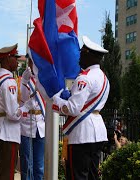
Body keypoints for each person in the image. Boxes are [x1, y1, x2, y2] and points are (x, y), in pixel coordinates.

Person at [52, 36, 110, 180]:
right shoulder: (104, 78)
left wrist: (57, 101)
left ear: (89, 55)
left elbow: (73, 108)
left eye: (82, 53)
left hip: (82, 134)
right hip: (97, 132)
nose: (79, 56)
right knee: (92, 175)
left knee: (77, 175)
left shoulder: (84, 78)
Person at [0, 44, 33, 180]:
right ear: (8, 59)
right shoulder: (9, 82)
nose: (17, 61)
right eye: (15, 58)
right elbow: (13, 114)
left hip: (0, 128)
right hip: (8, 132)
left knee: (0, 171)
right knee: (7, 173)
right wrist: (27, 106)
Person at [19, 55, 45, 180]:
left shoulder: (43, 79)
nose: (32, 64)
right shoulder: (23, 79)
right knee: (27, 165)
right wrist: (24, 82)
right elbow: (23, 99)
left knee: (39, 166)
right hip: (27, 125)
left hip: (40, 124)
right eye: (30, 61)